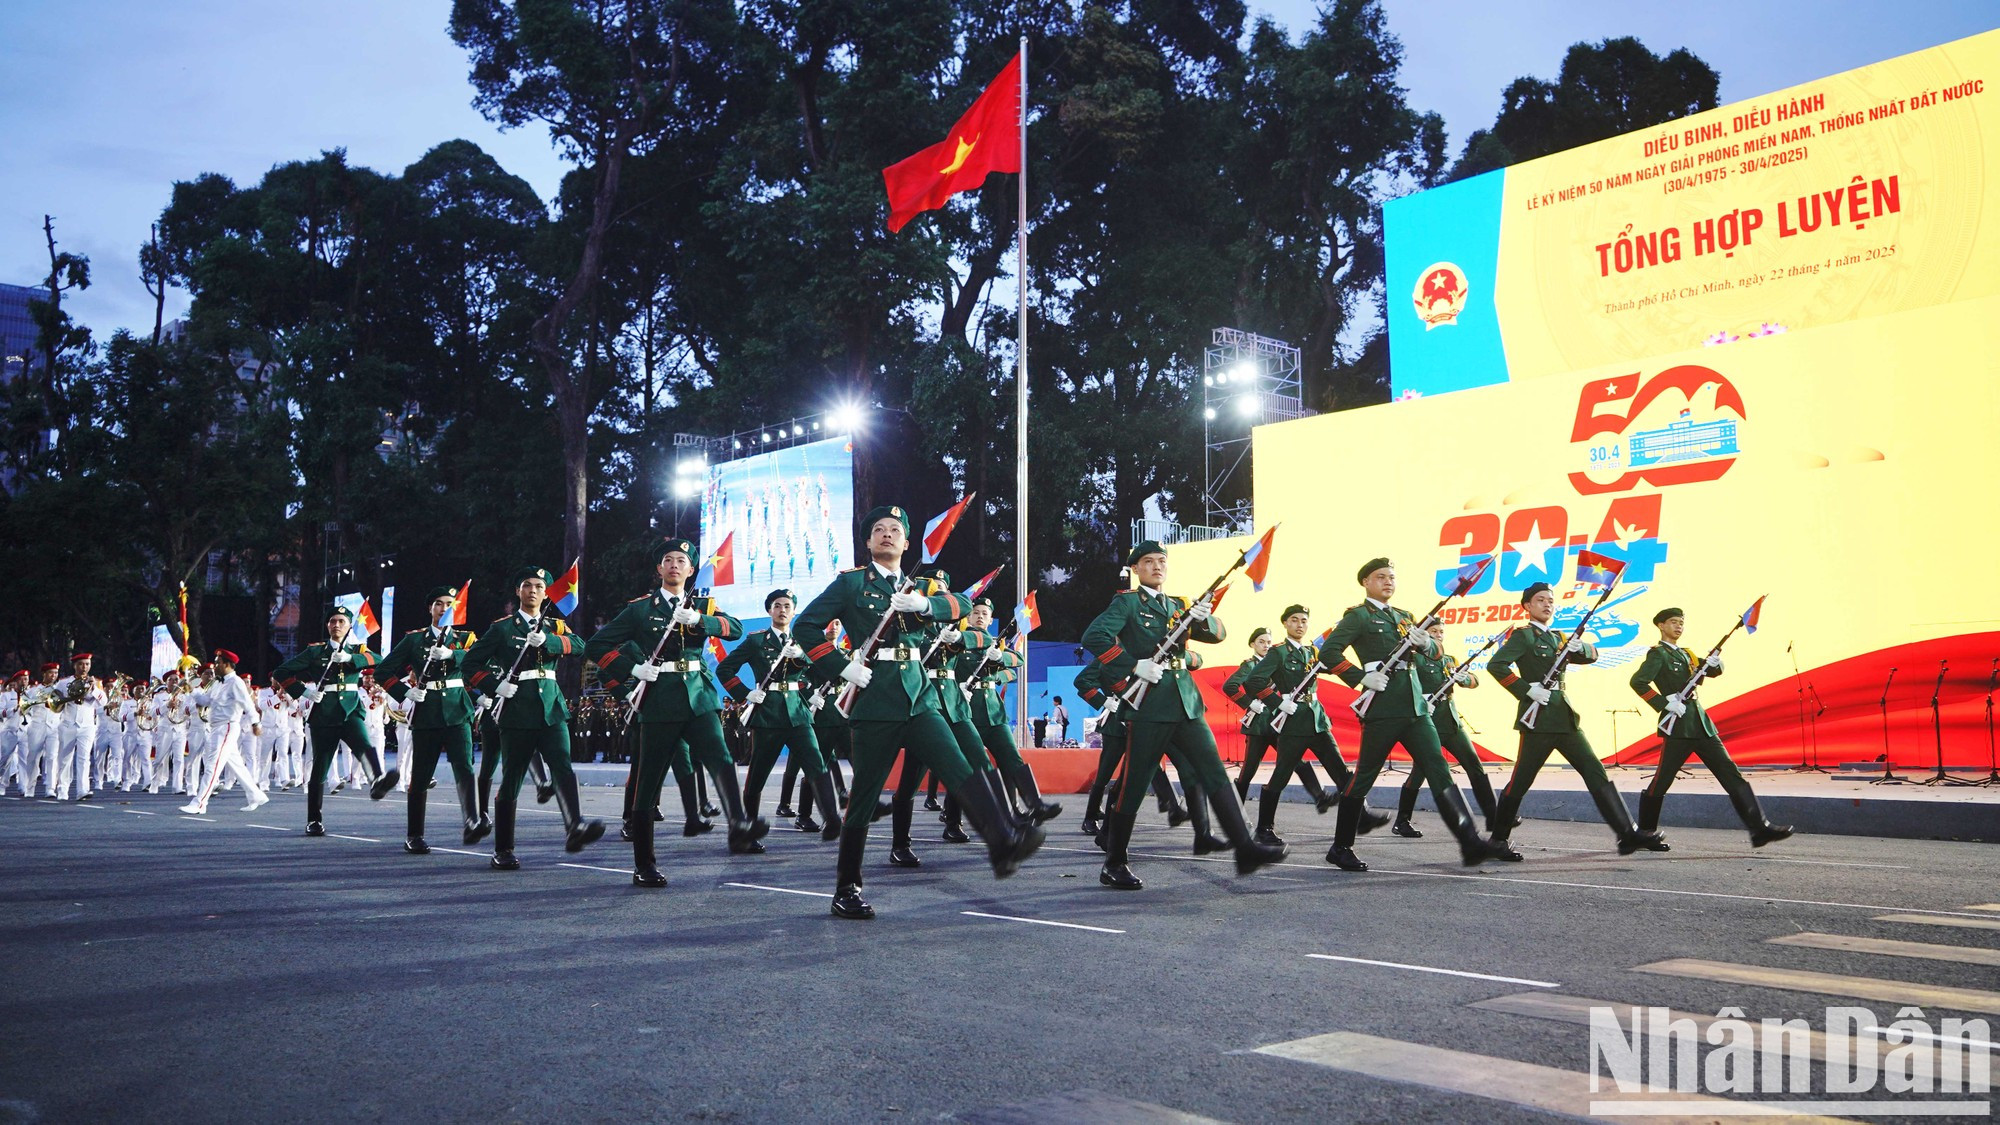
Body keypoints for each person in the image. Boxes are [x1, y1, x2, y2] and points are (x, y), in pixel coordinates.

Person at [793, 505, 1044, 919]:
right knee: (865, 796)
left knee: (958, 765)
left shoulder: (919, 588)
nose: (887, 534)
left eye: (895, 529)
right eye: (879, 529)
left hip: (920, 697)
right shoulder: (851, 584)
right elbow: (804, 626)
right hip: (875, 701)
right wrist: (842, 667)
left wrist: (924, 605)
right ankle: (847, 888)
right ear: (868, 541)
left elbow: (962, 603)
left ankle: (1002, 839)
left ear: (907, 543)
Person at [1079, 540, 1283, 889]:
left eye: (1161, 560)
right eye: (1148, 561)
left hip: (1186, 702)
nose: (1157, 566)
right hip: (1149, 706)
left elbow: (1218, 635)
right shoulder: (1128, 603)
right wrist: (1133, 665)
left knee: (1214, 771)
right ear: (1136, 569)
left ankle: (1246, 847)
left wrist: (1206, 617)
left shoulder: (1178, 605)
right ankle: (1114, 863)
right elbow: (1094, 636)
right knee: (1134, 785)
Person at [1316, 558, 1512, 870]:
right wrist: (1360, 677)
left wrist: (1427, 644)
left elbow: (1436, 654)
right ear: (1365, 582)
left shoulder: (1405, 617)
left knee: (1439, 770)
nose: (1388, 582)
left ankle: (1470, 841)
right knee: (1364, 777)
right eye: (1380, 577)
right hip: (1382, 709)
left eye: (1392, 577)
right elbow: (1328, 652)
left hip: (1416, 709)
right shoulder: (1358, 617)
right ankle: (1340, 847)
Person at [587, 540, 762, 888]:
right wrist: (632, 669)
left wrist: (699, 620)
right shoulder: (640, 610)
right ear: (659, 569)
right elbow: (596, 645)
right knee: (648, 781)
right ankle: (644, 864)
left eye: (681, 560)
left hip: (699, 698)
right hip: (660, 701)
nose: (674, 565)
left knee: (722, 761)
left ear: (691, 570)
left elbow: (735, 629)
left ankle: (740, 828)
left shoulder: (702, 605)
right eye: (668, 560)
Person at [1488, 582, 1665, 859]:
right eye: (1540, 600)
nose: (1547, 604)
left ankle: (1627, 833)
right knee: (1521, 780)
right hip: (1539, 719)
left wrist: (1580, 646)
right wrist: (1526, 690)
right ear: (1527, 606)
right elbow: (1496, 665)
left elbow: (1592, 656)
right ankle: (1498, 841)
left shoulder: (1558, 637)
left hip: (1565, 718)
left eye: (1550, 600)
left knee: (1595, 771)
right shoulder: (1524, 636)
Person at [464, 566, 606, 869]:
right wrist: (494, 685)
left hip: (551, 707)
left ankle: (575, 826)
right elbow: (470, 663)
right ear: (518, 591)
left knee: (563, 766)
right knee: (512, 777)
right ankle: (503, 848)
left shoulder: (555, 625)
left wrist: (549, 641)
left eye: (539, 586)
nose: (533, 591)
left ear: (546, 593)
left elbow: (581, 646)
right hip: (517, 710)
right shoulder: (502, 628)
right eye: (527, 585)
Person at [1629, 607, 1793, 848]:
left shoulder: (1687, 654)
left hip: (1701, 725)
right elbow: (1638, 682)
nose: (1678, 626)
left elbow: (1710, 672)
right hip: (1679, 726)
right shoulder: (1658, 654)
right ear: (1661, 626)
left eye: (1681, 622)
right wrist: (1664, 703)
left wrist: (1716, 663)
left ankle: (1759, 828)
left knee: (1731, 773)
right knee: (1662, 780)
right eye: (1673, 622)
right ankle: (1645, 833)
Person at [1241, 604, 1374, 847]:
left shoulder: (1312, 651)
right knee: (1281, 776)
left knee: (1341, 772)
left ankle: (1362, 816)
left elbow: (1333, 665)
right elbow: (1253, 681)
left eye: (1303, 620)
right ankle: (1264, 829)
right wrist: (1278, 703)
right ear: (1285, 623)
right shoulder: (1278, 652)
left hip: (1317, 721)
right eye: (1294, 620)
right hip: (1293, 724)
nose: (1299, 624)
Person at [716, 587, 840, 843]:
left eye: (787, 606)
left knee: (817, 765)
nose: (782, 610)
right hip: (768, 715)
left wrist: (804, 655)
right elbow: (725, 669)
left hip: (798, 713)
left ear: (794, 612)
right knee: (758, 775)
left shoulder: (803, 640)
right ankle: (748, 829)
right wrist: (745, 694)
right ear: (769, 611)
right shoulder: (756, 641)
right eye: (777, 606)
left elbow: (821, 668)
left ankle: (832, 818)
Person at [377, 586, 486, 854]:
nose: (444, 608)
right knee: (421, 775)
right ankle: (414, 834)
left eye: (449, 603)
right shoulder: (414, 640)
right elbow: (383, 671)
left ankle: (472, 820)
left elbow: (482, 659)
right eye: (438, 603)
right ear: (430, 608)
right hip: (427, 714)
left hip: (457, 711)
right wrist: (405, 692)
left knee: (465, 767)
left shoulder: (465, 638)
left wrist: (453, 654)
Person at [273, 607, 400, 836]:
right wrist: (304, 692)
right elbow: (281, 672)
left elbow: (380, 660)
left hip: (351, 709)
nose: (337, 625)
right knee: (320, 766)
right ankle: (314, 820)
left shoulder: (357, 650)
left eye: (341, 621)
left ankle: (377, 781)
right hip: (324, 713)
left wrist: (351, 658)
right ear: (327, 625)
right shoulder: (315, 651)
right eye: (332, 621)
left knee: (364, 745)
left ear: (349, 625)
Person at [1393, 621, 1500, 836]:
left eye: (1441, 632)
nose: (1439, 635)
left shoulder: (1449, 660)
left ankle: (1495, 816)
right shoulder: (1414, 659)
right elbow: (1404, 685)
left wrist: (1464, 678)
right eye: (1433, 631)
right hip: (1427, 724)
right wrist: (1422, 700)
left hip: (1450, 722)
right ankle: (1402, 821)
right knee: (1419, 773)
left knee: (1474, 764)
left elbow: (1474, 681)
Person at [180, 650, 271, 815]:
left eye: (217, 662)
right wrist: (191, 690)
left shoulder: (236, 682)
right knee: (237, 765)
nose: (214, 666)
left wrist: (256, 723)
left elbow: (248, 704)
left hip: (227, 726)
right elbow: (205, 700)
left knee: (212, 765)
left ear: (227, 665)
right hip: (216, 727)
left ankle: (199, 803)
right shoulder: (217, 683)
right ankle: (256, 795)